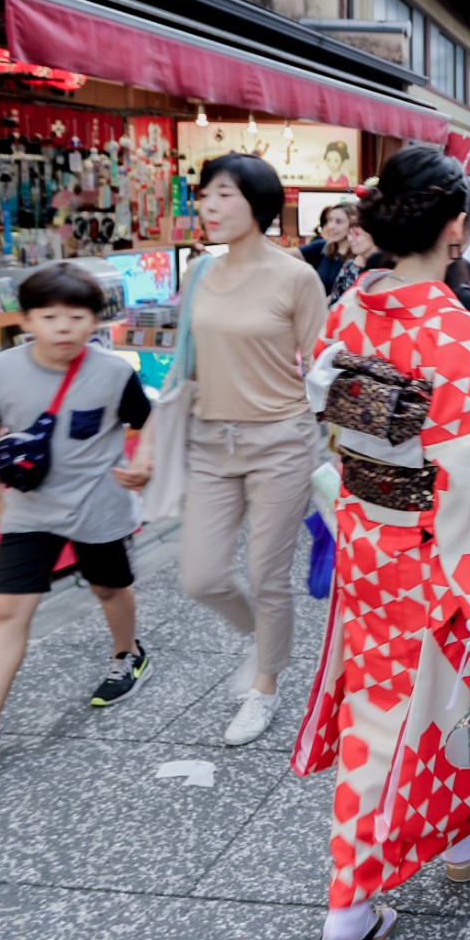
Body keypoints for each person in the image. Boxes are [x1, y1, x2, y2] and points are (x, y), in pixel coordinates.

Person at [296, 146, 470, 940]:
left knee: (447, 708)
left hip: (369, 541)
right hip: (440, 564)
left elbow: (328, 414)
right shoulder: (461, 339)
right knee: (388, 729)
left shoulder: (347, 313)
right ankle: (347, 912)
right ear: (455, 226)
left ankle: (468, 833)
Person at [0, 263, 154, 783]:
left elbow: (147, 419)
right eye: (49, 315)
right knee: (7, 613)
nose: (63, 327)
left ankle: (127, 654)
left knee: (111, 590)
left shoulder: (114, 372)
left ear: (94, 321)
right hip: (30, 510)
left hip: (99, 506)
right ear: (26, 320)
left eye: (76, 316)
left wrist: (144, 461)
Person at [171, 153, 327, 746]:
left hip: (281, 440)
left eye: (223, 194)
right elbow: (185, 361)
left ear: (259, 204)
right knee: (201, 576)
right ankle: (264, 636)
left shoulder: (296, 276)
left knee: (267, 572)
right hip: (212, 439)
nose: (208, 205)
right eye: (204, 194)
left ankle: (266, 684)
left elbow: (324, 364)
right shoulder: (199, 275)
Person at [300, 203, 357, 299]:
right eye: (330, 220)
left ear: (351, 225)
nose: (331, 226)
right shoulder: (324, 247)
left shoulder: (358, 258)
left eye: (338, 222)